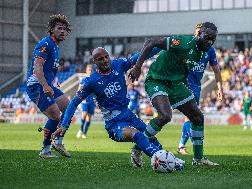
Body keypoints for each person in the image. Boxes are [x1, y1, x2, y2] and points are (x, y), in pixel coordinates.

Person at [52, 47, 184, 168]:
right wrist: (64, 125)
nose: (104, 60)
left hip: (128, 114)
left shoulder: (118, 64)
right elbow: (74, 102)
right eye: (100, 59)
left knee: (150, 136)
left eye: (106, 57)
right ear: (95, 62)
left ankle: (156, 156)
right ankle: (163, 161)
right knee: (135, 134)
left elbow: (140, 56)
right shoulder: (91, 82)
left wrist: (162, 45)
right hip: (114, 123)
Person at [128, 22, 219, 166]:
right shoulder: (182, 42)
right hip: (157, 80)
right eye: (207, 37)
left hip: (176, 84)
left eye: (212, 40)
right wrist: (137, 66)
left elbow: (183, 69)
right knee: (165, 116)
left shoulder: (201, 52)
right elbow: (151, 42)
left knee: (197, 117)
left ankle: (198, 159)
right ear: (198, 34)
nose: (209, 42)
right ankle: (137, 149)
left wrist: (187, 89)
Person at [26, 14, 72, 158]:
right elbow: (37, 67)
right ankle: (45, 150)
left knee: (69, 108)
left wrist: (54, 82)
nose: (63, 31)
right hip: (37, 85)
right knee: (55, 115)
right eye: (59, 28)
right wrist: (46, 86)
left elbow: (50, 70)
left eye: (65, 29)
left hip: (47, 84)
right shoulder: (45, 44)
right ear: (51, 30)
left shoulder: (55, 47)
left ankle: (58, 141)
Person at [177, 23, 224, 155]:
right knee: (192, 116)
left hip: (196, 87)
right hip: (184, 85)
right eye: (197, 32)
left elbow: (216, 70)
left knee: (189, 117)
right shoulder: (189, 45)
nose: (199, 35)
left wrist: (220, 88)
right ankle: (193, 147)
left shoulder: (210, 50)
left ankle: (181, 146)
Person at [76, 64, 96, 139]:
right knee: (84, 115)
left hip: (92, 101)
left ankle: (84, 133)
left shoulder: (94, 80)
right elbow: (80, 89)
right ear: (86, 71)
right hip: (85, 100)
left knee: (89, 118)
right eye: (89, 70)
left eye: (91, 70)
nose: (90, 71)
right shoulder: (83, 79)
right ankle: (81, 129)